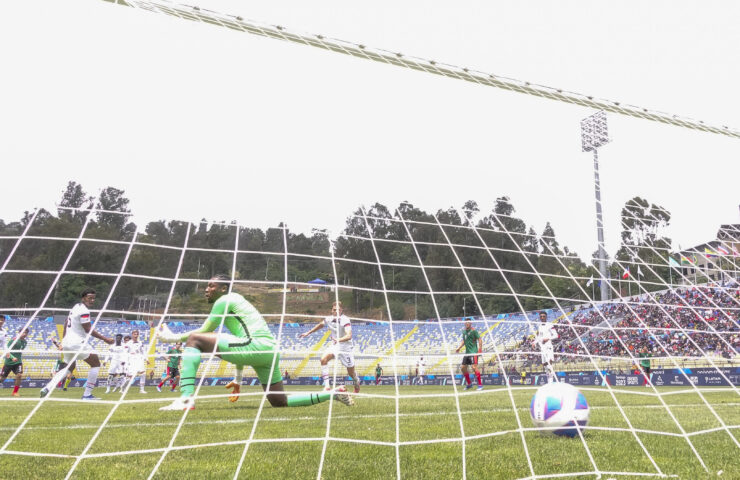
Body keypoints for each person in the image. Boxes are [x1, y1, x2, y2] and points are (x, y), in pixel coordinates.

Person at [157, 274, 353, 410]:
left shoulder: (223, 301)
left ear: (223, 288)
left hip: (255, 346)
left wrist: (170, 337)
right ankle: (333, 394)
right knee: (279, 401)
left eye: (211, 286)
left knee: (194, 339)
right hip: (269, 351)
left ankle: (185, 400)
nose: (206, 290)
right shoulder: (237, 301)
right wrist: (239, 379)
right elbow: (240, 343)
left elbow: (204, 330)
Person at [41, 288, 114, 400]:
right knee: (95, 364)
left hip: (67, 343)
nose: (92, 300)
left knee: (69, 368)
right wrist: (105, 339)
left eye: (94, 298)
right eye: (90, 298)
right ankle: (87, 394)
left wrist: (63, 340)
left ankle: (47, 387)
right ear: (83, 298)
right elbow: (88, 329)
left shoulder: (75, 307)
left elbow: (66, 322)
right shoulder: (84, 311)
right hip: (77, 343)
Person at [299, 301, 360, 393]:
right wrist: (308, 332)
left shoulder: (345, 320)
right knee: (323, 359)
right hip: (335, 346)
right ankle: (327, 387)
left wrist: (338, 340)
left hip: (346, 348)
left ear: (341, 310)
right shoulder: (328, 319)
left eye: (338, 310)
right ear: (331, 310)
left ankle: (356, 381)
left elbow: (349, 336)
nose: (336, 311)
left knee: (351, 373)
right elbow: (320, 325)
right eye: (334, 310)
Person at [456, 320, 483, 391]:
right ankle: (469, 384)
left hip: (473, 352)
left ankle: (480, 385)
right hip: (467, 353)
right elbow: (464, 341)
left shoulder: (474, 331)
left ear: (471, 323)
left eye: (468, 322)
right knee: (462, 368)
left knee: (474, 367)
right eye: (466, 322)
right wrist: (459, 347)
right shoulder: (464, 331)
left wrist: (480, 349)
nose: (467, 324)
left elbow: (479, 339)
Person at [1, 328, 28, 397]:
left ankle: (15, 392)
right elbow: (7, 350)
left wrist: (19, 361)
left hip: (18, 362)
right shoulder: (13, 340)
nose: (24, 334)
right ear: (19, 332)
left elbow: (19, 353)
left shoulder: (25, 342)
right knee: (2, 378)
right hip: (9, 362)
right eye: (23, 332)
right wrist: (12, 357)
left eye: (26, 333)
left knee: (19, 375)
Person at [534, 311, 558, 383]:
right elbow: (539, 337)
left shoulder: (550, 325)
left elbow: (556, 335)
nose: (542, 318)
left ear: (546, 317)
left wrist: (548, 338)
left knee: (549, 363)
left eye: (543, 316)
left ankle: (550, 382)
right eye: (541, 316)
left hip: (548, 346)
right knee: (544, 365)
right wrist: (534, 342)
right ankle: (549, 380)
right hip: (542, 347)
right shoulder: (539, 326)